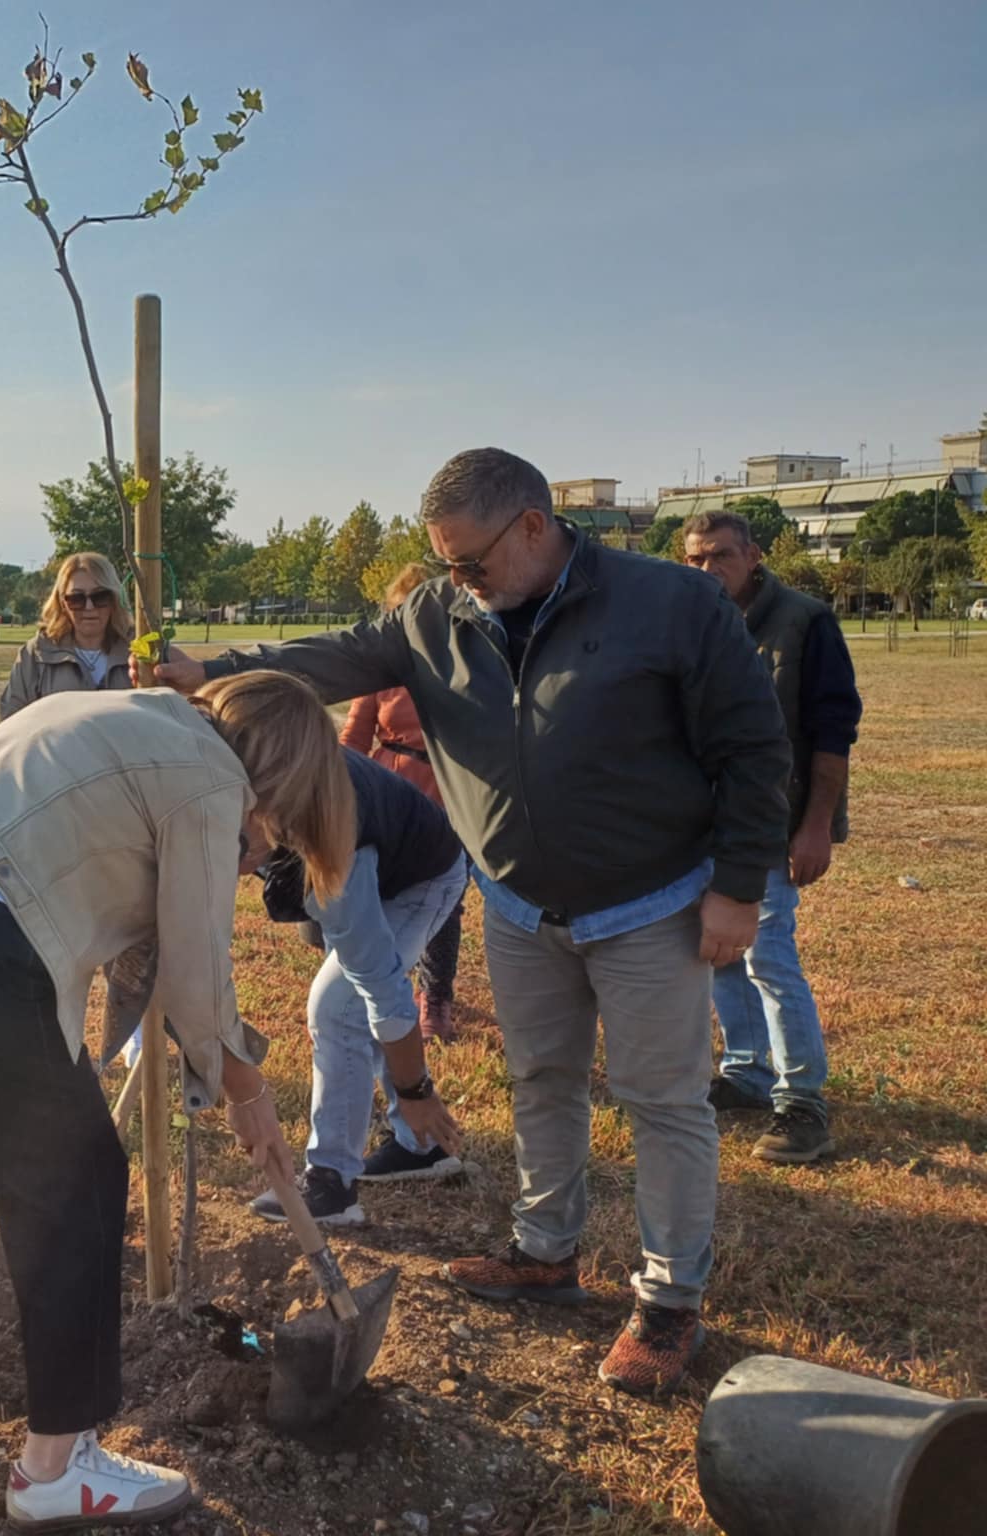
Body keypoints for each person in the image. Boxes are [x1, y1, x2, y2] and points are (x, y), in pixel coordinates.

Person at [156, 447, 790, 1398]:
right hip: (521, 903)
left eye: (470, 562)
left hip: (652, 901)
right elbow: (329, 657)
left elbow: (752, 744)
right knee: (540, 1078)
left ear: (534, 526)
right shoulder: (437, 614)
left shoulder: (671, 605)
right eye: (445, 565)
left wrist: (738, 885)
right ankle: (544, 1250)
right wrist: (210, 669)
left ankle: (668, 1302)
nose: (458, 582)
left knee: (663, 1102)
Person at [0, 673, 352, 1531]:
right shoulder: (210, 779)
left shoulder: (127, 711)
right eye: (279, 831)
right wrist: (248, 1088)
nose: (264, 850)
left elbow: (117, 926)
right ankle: (57, 1467)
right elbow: (196, 975)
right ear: (283, 774)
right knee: (78, 1179)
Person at [683, 511, 861, 1164]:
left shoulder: (804, 621)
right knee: (719, 951)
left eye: (721, 556)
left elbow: (834, 729)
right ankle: (748, 1072)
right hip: (705, 824)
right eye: (696, 559)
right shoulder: (692, 623)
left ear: (753, 555)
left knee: (769, 957)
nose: (708, 570)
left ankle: (803, 1102)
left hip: (774, 822)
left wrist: (814, 826)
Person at [248, 746, 470, 1229]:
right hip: (380, 858)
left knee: (337, 1007)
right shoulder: (257, 780)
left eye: (234, 845)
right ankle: (422, 1149)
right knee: (351, 1003)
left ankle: (331, 1185)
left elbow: (382, 988)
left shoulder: (328, 835)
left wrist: (417, 1090)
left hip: (422, 879)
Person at [339, 562, 467, 1043]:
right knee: (378, 891)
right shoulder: (382, 671)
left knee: (445, 900)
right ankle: (374, 984)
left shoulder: (462, 667)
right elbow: (355, 732)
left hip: (451, 790)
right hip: (392, 786)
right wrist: (337, 788)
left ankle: (436, 998)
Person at [0, 551, 135, 718]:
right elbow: (12, 720)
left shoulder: (141, 652)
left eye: (100, 596)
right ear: (62, 603)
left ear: (114, 599)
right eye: (76, 598)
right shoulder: (35, 655)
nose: (89, 607)